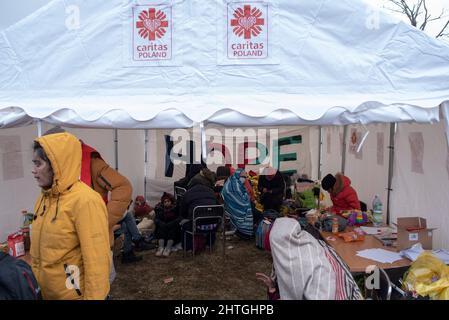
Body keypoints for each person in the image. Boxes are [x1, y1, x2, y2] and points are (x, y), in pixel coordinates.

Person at [30, 132, 110, 299]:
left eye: (38, 164)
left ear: (55, 164)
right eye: (34, 164)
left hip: (72, 294)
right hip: (45, 293)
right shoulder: (44, 198)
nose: (33, 171)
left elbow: (97, 263)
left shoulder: (85, 201)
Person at [258, 217, 336, 300]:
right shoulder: (294, 254)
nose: (274, 258)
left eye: (274, 253)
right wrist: (272, 288)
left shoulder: (315, 268)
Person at [180, 168, 218, 251]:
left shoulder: (187, 193)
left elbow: (183, 212)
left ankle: (188, 247)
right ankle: (209, 244)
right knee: (210, 216)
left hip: (196, 227)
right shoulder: (211, 192)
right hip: (214, 226)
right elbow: (217, 208)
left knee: (183, 223)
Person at [221, 168, 254, 239]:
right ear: (237, 175)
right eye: (242, 177)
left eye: (245, 177)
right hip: (232, 207)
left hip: (233, 207)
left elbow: (244, 195)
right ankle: (243, 231)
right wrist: (247, 199)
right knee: (248, 211)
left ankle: (243, 232)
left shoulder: (237, 183)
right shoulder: (234, 184)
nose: (244, 179)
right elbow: (238, 199)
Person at [154, 193, 181, 257]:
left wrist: (172, 223)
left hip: (173, 226)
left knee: (172, 230)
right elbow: (156, 219)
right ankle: (161, 248)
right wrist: (161, 223)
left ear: (171, 201)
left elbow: (179, 218)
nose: (166, 203)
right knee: (161, 229)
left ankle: (168, 248)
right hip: (163, 226)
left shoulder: (176, 208)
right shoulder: (159, 209)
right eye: (165, 201)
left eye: (168, 201)